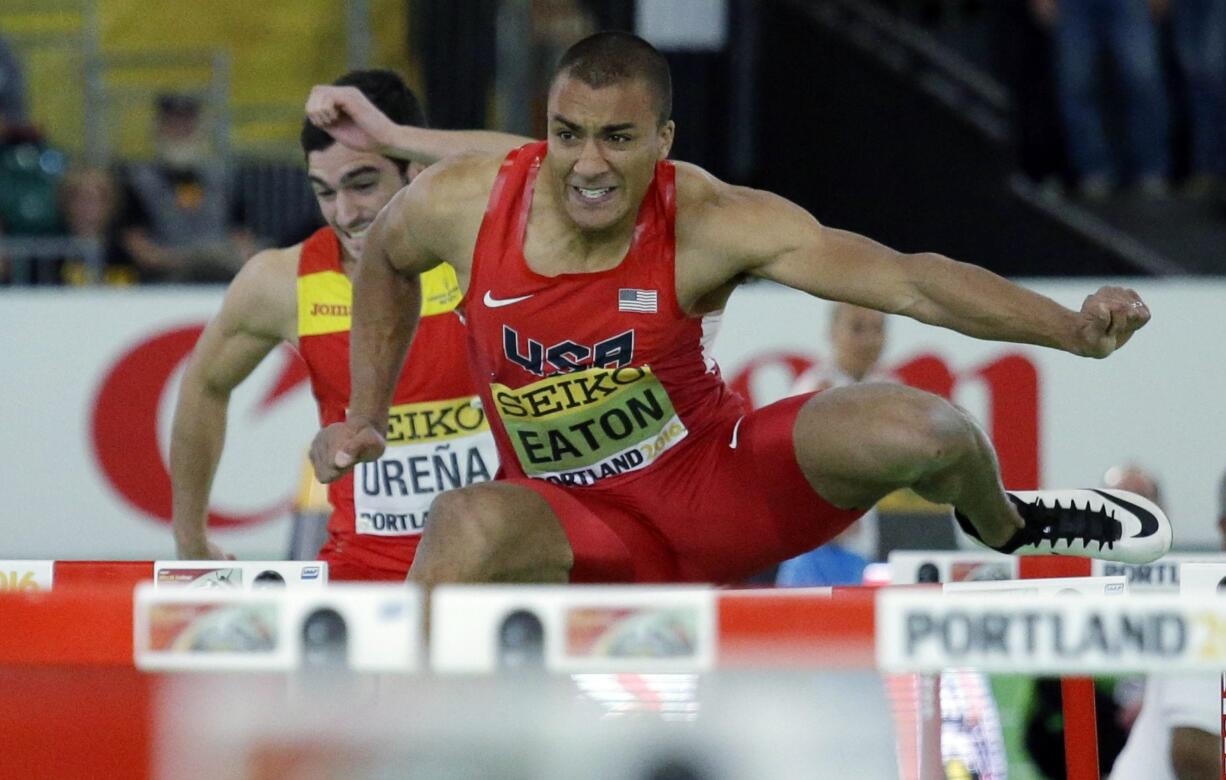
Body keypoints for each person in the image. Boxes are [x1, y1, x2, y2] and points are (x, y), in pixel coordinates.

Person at [310, 32, 1170, 588]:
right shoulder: (466, 204)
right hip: (571, 525)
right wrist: (366, 412)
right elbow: (385, 259)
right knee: (464, 519)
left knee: (932, 431)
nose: (587, 165)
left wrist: (1069, 330)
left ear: (663, 143)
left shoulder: (713, 221)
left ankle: (1010, 526)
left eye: (617, 137)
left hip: (715, 490)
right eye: (568, 133)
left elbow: (911, 279)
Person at [171, 70, 524, 580]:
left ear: (416, 171)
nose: (345, 213)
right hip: (363, 575)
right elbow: (204, 384)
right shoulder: (283, 282)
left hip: (502, 569)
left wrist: (395, 136)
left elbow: (553, 166)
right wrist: (191, 539)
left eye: (362, 184)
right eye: (324, 192)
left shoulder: (481, 251)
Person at [119, 92, 254, 282]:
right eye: (172, 123)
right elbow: (136, 245)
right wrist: (190, 260)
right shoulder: (137, 179)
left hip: (223, 276)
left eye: (186, 123)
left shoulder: (224, 178)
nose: (180, 130)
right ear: (158, 127)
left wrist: (234, 259)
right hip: (165, 281)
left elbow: (241, 236)